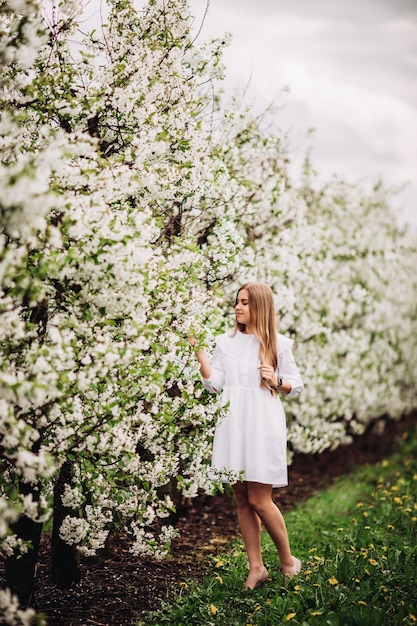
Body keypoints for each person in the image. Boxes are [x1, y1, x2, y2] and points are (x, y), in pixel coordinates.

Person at [189, 282, 304, 589]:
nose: (238, 307)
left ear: (260, 307)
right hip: (233, 421)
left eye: (245, 303)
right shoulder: (225, 342)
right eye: (237, 302)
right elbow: (215, 383)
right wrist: (199, 350)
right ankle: (256, 568)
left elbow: (295, 383)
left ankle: (288, 561)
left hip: (262, 422)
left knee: (260, 499)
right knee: (242, 497)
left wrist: (276, 380)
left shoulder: (276, 344)